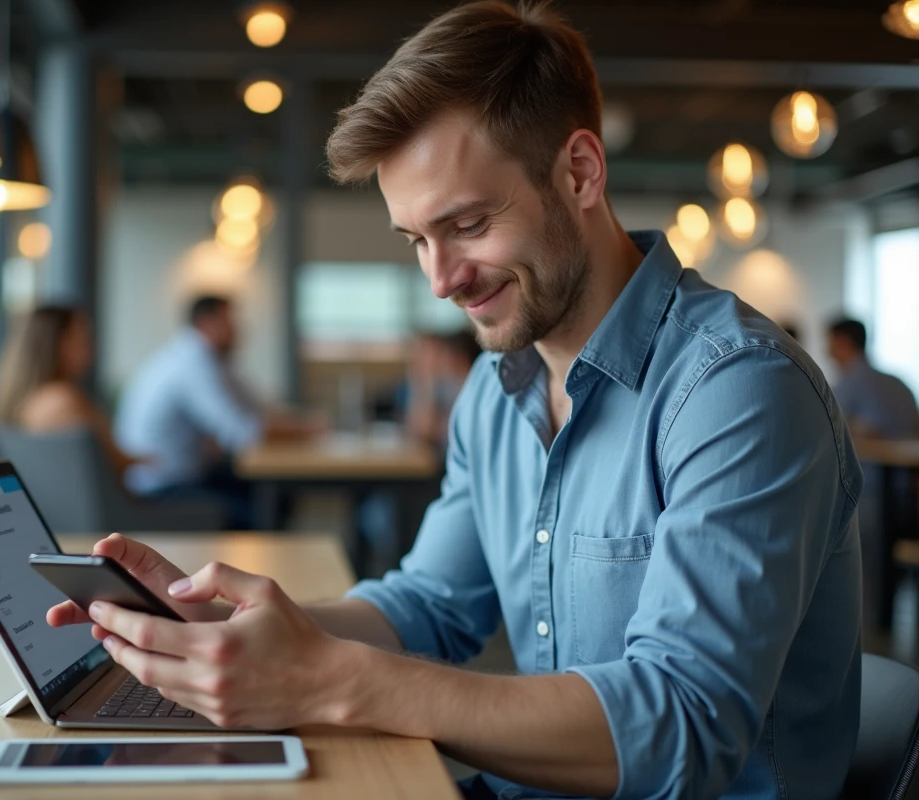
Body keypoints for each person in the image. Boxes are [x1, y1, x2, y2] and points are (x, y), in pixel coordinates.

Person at [52, 4, 862, 798]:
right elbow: (431, 605)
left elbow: (684, 729)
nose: (441, 281)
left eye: (468, 224)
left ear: (580, 171)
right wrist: (240, 637)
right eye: (416, 242)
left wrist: (337, 682)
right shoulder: (496, 389)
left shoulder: (736, 389)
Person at [116, 295, 317, 528]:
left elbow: (258, 408)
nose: (237, 330)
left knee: (275, 496)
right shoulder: (193, 365)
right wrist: (308, 429)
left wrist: (296, 423)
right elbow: (244, 433)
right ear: (205, 323)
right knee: (262, 509)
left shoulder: (207, 359)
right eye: (229, 321)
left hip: (188, 475)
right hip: (163, 486)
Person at [0, 305, 142, 480]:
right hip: (120, 505)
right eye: (83, 338)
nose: (91, 347)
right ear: (59, 344)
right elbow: (118, 463)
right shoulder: (63, 400)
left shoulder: (23, 403)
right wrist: (155, 460)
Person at [828, 317, 919, 439]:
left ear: (842, 342)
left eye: (829, 341)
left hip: (873, 455)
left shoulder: (854, 383)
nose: (827, 349)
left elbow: (871, 429)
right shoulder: (896, 382)